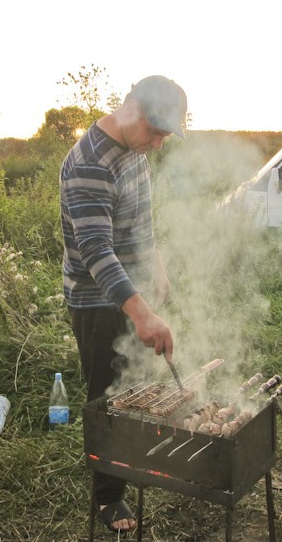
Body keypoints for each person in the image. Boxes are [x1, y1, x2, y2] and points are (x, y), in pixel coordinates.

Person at [60, 75, 187, 533]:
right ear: (131, 106)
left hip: (133, 292)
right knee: (108, 398)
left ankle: (136, 465)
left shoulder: (134, 151)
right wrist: (142, 312)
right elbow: (95, 250)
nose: (156, 143)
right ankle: (108, 498)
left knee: (135, 388)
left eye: (164, 136)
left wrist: (157, 267)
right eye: (154, 132)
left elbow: (139, 217)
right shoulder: (91, 164)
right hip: (98, 302)